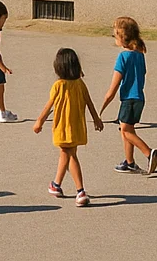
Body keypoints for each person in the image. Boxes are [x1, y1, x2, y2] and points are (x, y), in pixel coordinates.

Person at [33, 47, 103, 207]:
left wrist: (39, 121)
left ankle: (81, 191)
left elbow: (48, 106)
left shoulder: (59, 85)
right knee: (65, 153)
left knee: (70, 155)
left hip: (63, 127)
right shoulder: (80, 84)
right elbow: (89, 101)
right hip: (77, 126)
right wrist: (96, 119)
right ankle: (56, 185)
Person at [99, 16, 157, 174]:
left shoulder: (123, 57)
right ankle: (129, 162)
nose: (114, 39)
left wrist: (101, 109)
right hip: (139, 98)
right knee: (127, 129)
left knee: (125, 131)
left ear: (122, 37)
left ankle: (149, 152)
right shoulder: (140, 55)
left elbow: (113, 88)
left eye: (115, 35)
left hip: (129, 99)